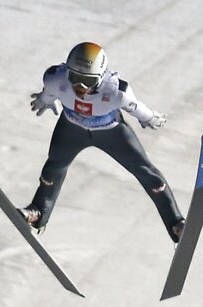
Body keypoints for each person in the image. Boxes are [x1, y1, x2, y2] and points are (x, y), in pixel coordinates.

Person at [23, 42, 185, 244]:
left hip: (111, 133)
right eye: (74, 77)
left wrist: (149, 117)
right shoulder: (55, 78)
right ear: (67, 70)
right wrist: (44, 100)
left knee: (146, 172)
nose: (80, 86)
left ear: (101, 77)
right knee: (53, 168)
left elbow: (136, 107)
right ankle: (39, 211)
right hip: (72, 129)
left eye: (88, 80)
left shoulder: (116, 91)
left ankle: (176, 222)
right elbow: (49, 92)